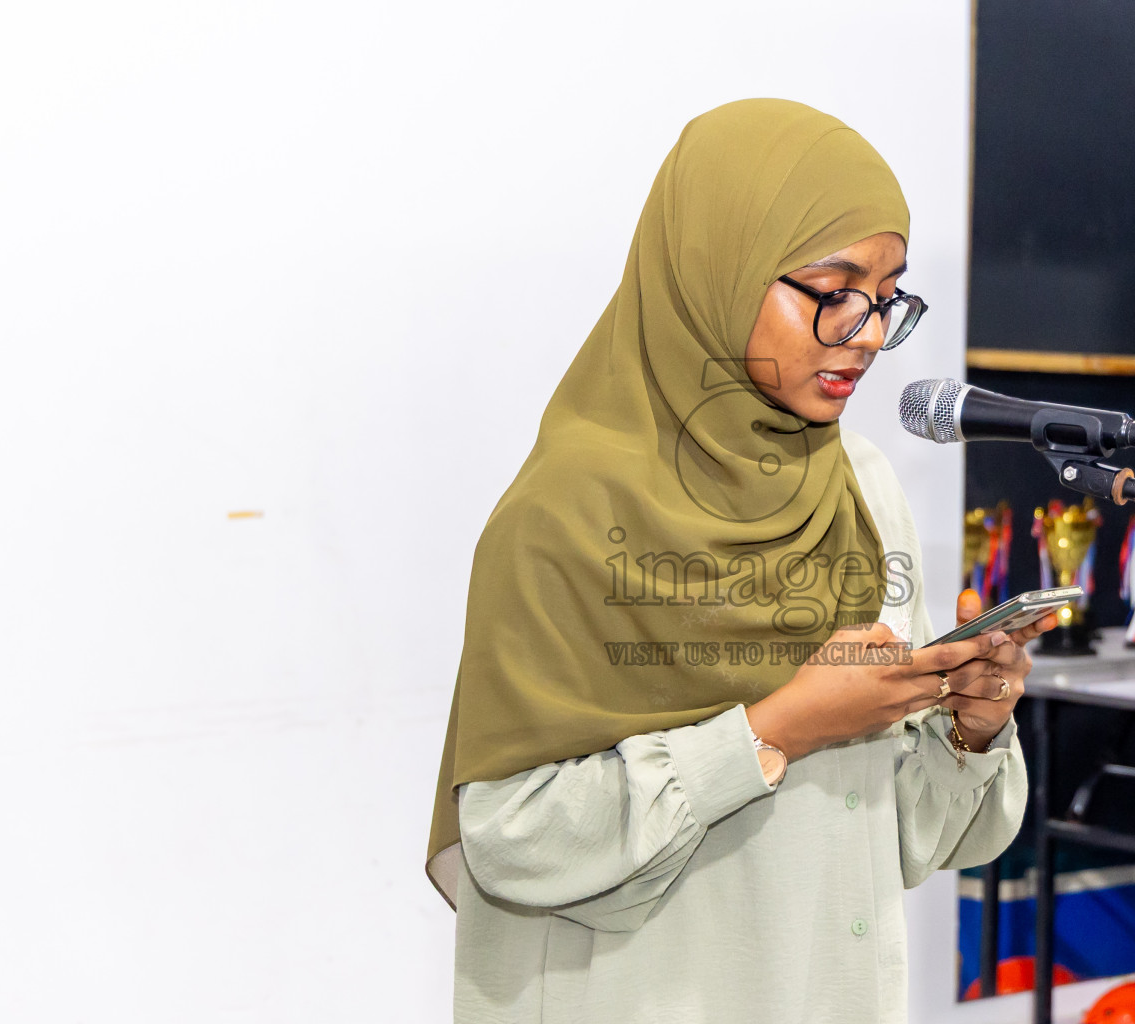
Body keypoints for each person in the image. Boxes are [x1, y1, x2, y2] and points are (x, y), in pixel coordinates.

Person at [426, 98, 1054, 1024]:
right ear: (713, 269)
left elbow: (892, 836)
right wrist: (777, 728)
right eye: (833, 292)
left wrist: (971, 724)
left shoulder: (861, 489)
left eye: (887, 300)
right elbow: (512, 843)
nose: (869, 333)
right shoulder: (566, 514)